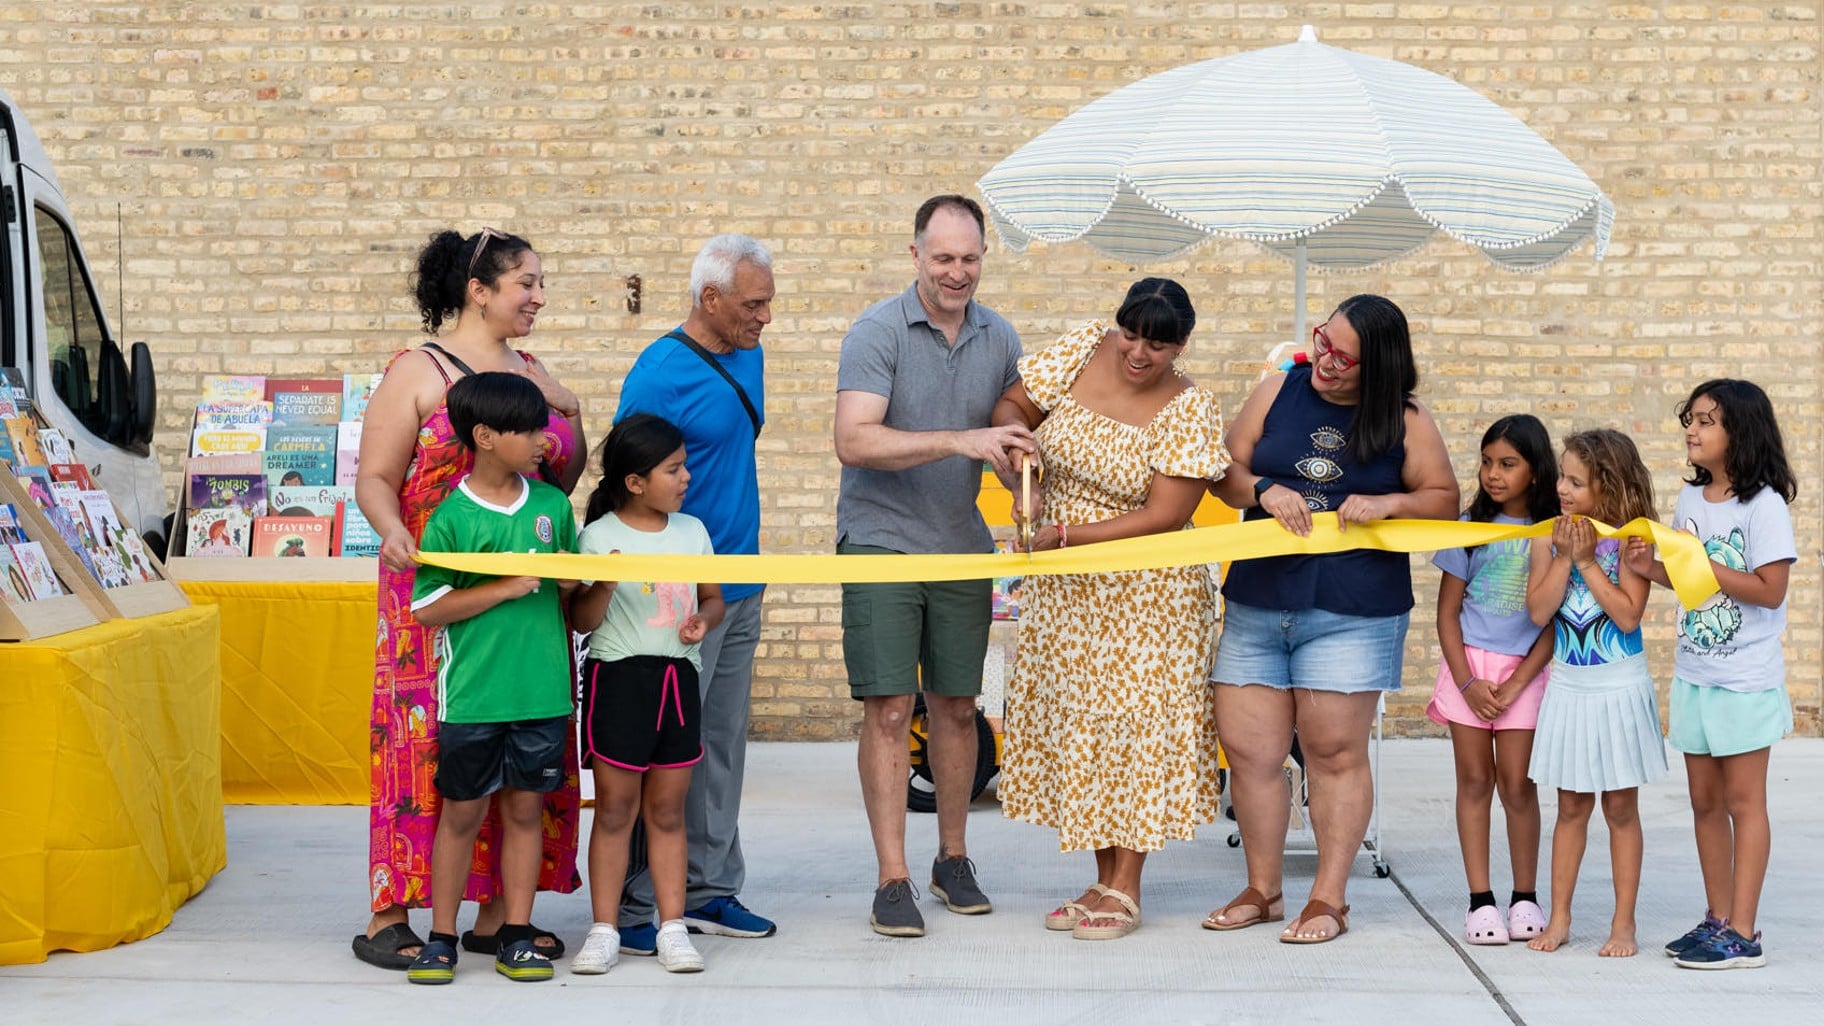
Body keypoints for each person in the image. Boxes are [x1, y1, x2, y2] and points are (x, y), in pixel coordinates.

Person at [352, 228, 585, 970]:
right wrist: (392, 533)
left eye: (542, 282)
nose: (538, 296)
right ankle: (393, 913)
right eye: (526, 283)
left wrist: (568, 407)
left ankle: (496, 917)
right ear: (477, 289)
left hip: (521, 599)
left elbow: (559, 482)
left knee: (518, 747)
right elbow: (376, 476)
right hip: (429, 591)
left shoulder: (533, 372)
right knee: (423, 752)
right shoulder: (418, 370)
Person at [1205, 294, 1458, 944]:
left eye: (1342, 355)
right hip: (1259, 601)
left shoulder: (1406, 419)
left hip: (1352, 610)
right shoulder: (1275, 391)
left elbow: (1443, 501)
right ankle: (1262, 889)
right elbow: (1223, 470)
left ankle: (1328, 898)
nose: (1324, 358)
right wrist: (1263, 489)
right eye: (1322, 339)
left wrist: (1393, 503)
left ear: (1377, 367)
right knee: (1252, 753)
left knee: (1334, 753)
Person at [991, 278, 1230, 941]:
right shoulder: (1082, 347)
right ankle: (1100, 878)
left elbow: (1167, 514)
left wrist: (1067, 536)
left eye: (1157, 345)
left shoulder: (1189, 407)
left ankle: (1128, 885)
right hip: (1068, 595)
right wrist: (1022, 466)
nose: (1137, 353)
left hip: (1145, 600)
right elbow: (1013, 403)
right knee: (1085, 730)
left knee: (1133, 733)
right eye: (1130, 334)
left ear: (1180, 346)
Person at [833, 194, 1035, 938]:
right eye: (944, 257)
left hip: (961, 545)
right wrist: (960, 440)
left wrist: (1022, 474)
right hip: (881, 541)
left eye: (970, 258)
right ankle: (893, 877)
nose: (958, 272)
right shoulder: (876, 332)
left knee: (956, 707)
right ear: (916, 255)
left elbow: (1008, 434)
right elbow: (854, 440)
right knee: (889, 708)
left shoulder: (999, 335)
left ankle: (954, 858)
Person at [612, 234, 777, 953]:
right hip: (678, 597)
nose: (765, 317)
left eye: (768, 302)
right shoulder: (658, 375)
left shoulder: (750, 352)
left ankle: (711, 889)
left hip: (739, 586)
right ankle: (638, 903)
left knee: (721, 746)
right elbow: (628, 481)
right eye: (752, 303)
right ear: (709, 299)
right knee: (665, 750)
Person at [403, 372, 580, 984]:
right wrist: (504, 588)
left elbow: (572, 596)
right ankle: (443, 937)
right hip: (473, 698)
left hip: (542, 694)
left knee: (527, 812)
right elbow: (426, 609)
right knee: (461, 815)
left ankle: (516, 934)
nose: (543, 440)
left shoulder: (553, 507)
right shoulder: (449, 516)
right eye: (529, 429)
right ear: (484, 436)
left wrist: (592, 577)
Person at [1625, 380, 1797, 970]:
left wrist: (1704, 565)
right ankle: (1716, 917)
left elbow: (1770, 592)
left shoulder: (1765, 505)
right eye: (1690, 420)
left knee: (1744, 803)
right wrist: (1651, 569)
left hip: (1745, 679)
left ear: (1739, 433)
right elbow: (1692, 581)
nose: (1692, 431)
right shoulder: (1690, 502)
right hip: (1696, 672)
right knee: (1704, 802)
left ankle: (1744, 933)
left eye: (1705, 422)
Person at [568, 414, 725, 976]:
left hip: (678, 683)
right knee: (615, 811)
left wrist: (703, 623)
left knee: (666, 810)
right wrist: (603, 584)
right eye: (673, 469)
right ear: (635, 482)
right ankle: (604, 930)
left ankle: (673, 928)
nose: (686, 477)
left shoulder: (693, 532)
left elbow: (713, 600)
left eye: (684, 466)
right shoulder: (598, 536)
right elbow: (581, 619)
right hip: (621, 681)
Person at [1523, 428, 1666, 958]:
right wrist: (1564, 556)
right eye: (1562, 475)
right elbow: (1539, 612)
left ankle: (1623, 923)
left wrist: (1587, 561)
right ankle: (1558, 918)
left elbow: (1628, 613)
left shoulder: (1632, 538)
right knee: (1570, 807)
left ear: (1607, 487)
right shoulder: (1549, 534)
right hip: (1569, 686)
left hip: (1618, 685)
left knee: (1621, 809)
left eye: (1575, 481)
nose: (1561, 486)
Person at [1427, 414, 1557, 946]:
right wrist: (1467, 684)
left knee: (1518, 786)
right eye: (1486, 462)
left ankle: (1525, 895)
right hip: (1470, 672)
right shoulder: (1469, 529)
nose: (1493, 474)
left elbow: (1553, 626)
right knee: (1475, 782)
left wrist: (1519, 681)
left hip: (1525, 673)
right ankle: (1480, 901)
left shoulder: (1552, 531)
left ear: (1535, 470)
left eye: (1508, 464)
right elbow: (1446, 614)